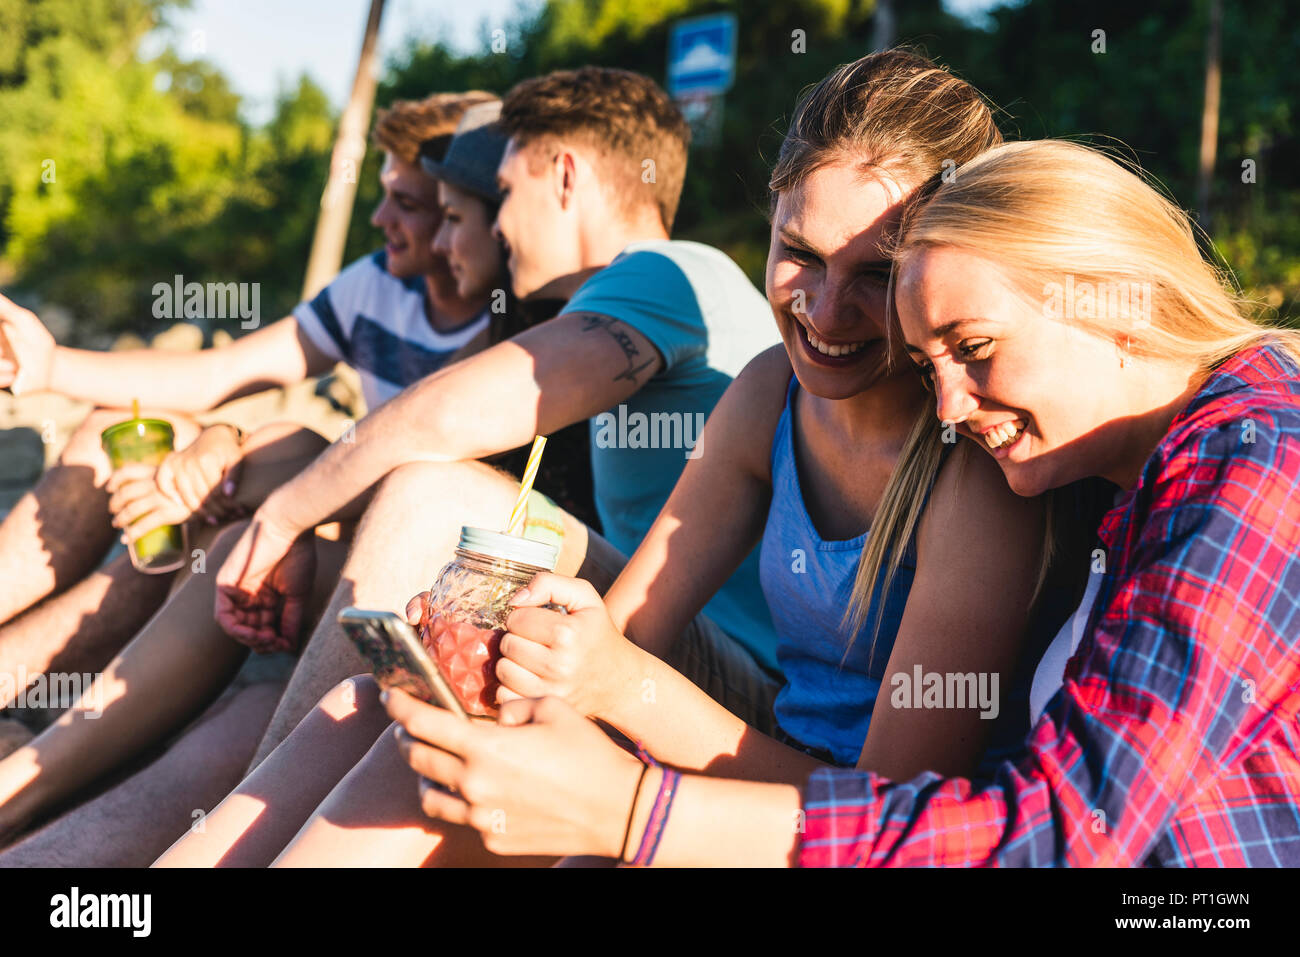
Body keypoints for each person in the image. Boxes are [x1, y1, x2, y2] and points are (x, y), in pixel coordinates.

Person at [153, 50, 1100, 868]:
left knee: (458, 744)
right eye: (800, 253)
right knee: (404, 705)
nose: (824, 307)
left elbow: (882, 824)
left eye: (878, 274)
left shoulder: (970, 472)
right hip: (755, 737)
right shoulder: (772, 391)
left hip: (816, 822)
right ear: (768, 216)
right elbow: (625, 625)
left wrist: (611, 687)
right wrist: (512, 648)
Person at [383, 138, 1300, 867]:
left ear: (1120, 299)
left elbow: (1066, 835)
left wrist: (634, 810)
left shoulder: (1255, 461)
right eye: (929, 362)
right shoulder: (1138, 473)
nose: (948, 407)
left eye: (975, 345)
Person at [207, 65, 782, 774]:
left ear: (566, 176)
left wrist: (285, 517)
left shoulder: (664, 269)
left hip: (731, 697)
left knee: (434, 495)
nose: (499, 220)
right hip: (667, 656)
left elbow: (447, 415)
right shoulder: (657, 291)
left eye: (506, 192)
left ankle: (269, 808)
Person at [0, 90, 523, 858]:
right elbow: (231, 372)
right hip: (314, 514)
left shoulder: (523, 328)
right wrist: (57, 369)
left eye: (414, 206)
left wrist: (233, 474)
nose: (384, 223)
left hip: (385, 563)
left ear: (485, 215)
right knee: (119, 436)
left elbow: (392, 470)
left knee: (223, 511)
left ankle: (34, 767)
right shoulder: (380, 282)